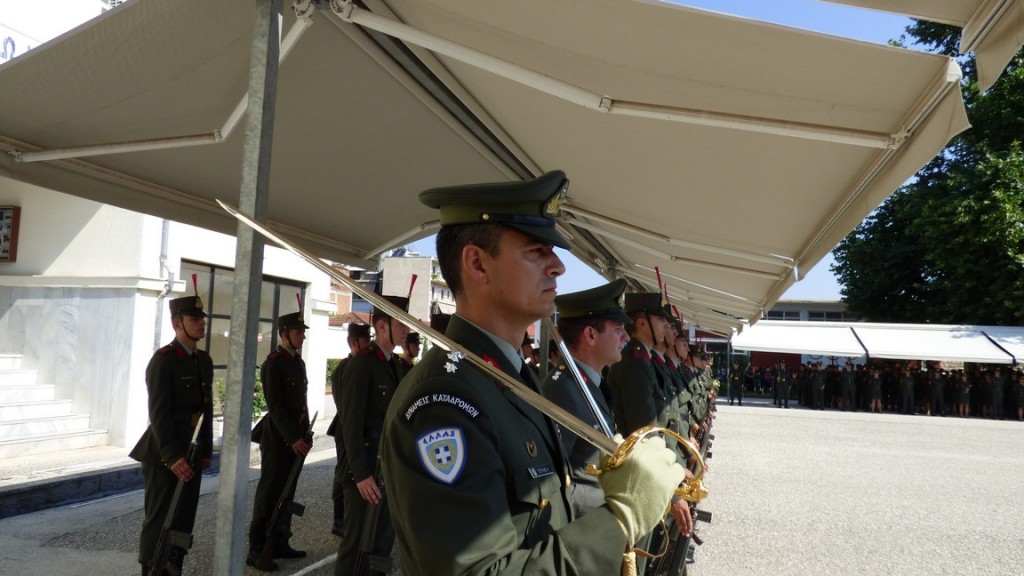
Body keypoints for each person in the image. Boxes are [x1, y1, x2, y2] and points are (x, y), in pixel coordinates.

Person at [381, 170, 684, 575]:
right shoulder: (446, 399)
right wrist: (617, 522)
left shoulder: (506, 377)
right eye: (536, 250)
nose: (558, 266)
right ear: (477, 264)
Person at [130, 289, 214, 576]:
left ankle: (173, 567)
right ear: (177, 324)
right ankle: (152, 570)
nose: (201, 323)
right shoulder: (164, 360)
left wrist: (204, 450)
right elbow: (158, 414)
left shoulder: (202, 360)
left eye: (202, 318)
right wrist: (172, 456)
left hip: (190, 451)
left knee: (183, 518)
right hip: (166, 454)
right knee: (160, 519)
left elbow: (206, 409)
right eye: (194, 318)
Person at [540, 279, 630, 518]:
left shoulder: (590, 383)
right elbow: (554, 483)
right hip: (588, 525)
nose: (627, 338)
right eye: (618, 329)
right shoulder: (563, 390)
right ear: (590, 334)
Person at [336, 295, 411, 576]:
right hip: (365, 471)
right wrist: (360, 474)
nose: (406, 330)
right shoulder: (362, 365)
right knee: (355, 546)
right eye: (400, 323)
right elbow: (349, 425)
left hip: (386, 469)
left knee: (380, 543)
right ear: (381, 326)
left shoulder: (396, 367)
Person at [247, 309, 312, 571]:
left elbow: (301, 404)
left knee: (288, 492)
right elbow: (275, 407)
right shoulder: (273, 363)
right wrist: (293, 437)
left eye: (304, 332)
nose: (303, 337)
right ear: (284, 334)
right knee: (270, 493)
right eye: (299, 332)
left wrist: (305, 434)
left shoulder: (298, 362)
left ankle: (281, 541)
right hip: (277, 439)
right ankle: (257, 548)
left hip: (296, 438)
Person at [327, 323, 371, 536]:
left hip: (356, 429)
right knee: (344, 474)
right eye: (365, 340)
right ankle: (339, 519)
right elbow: (345, 406)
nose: (368, 344)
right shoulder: (345, 368)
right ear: (353, 342)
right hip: (345, 429)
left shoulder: (365, 365)